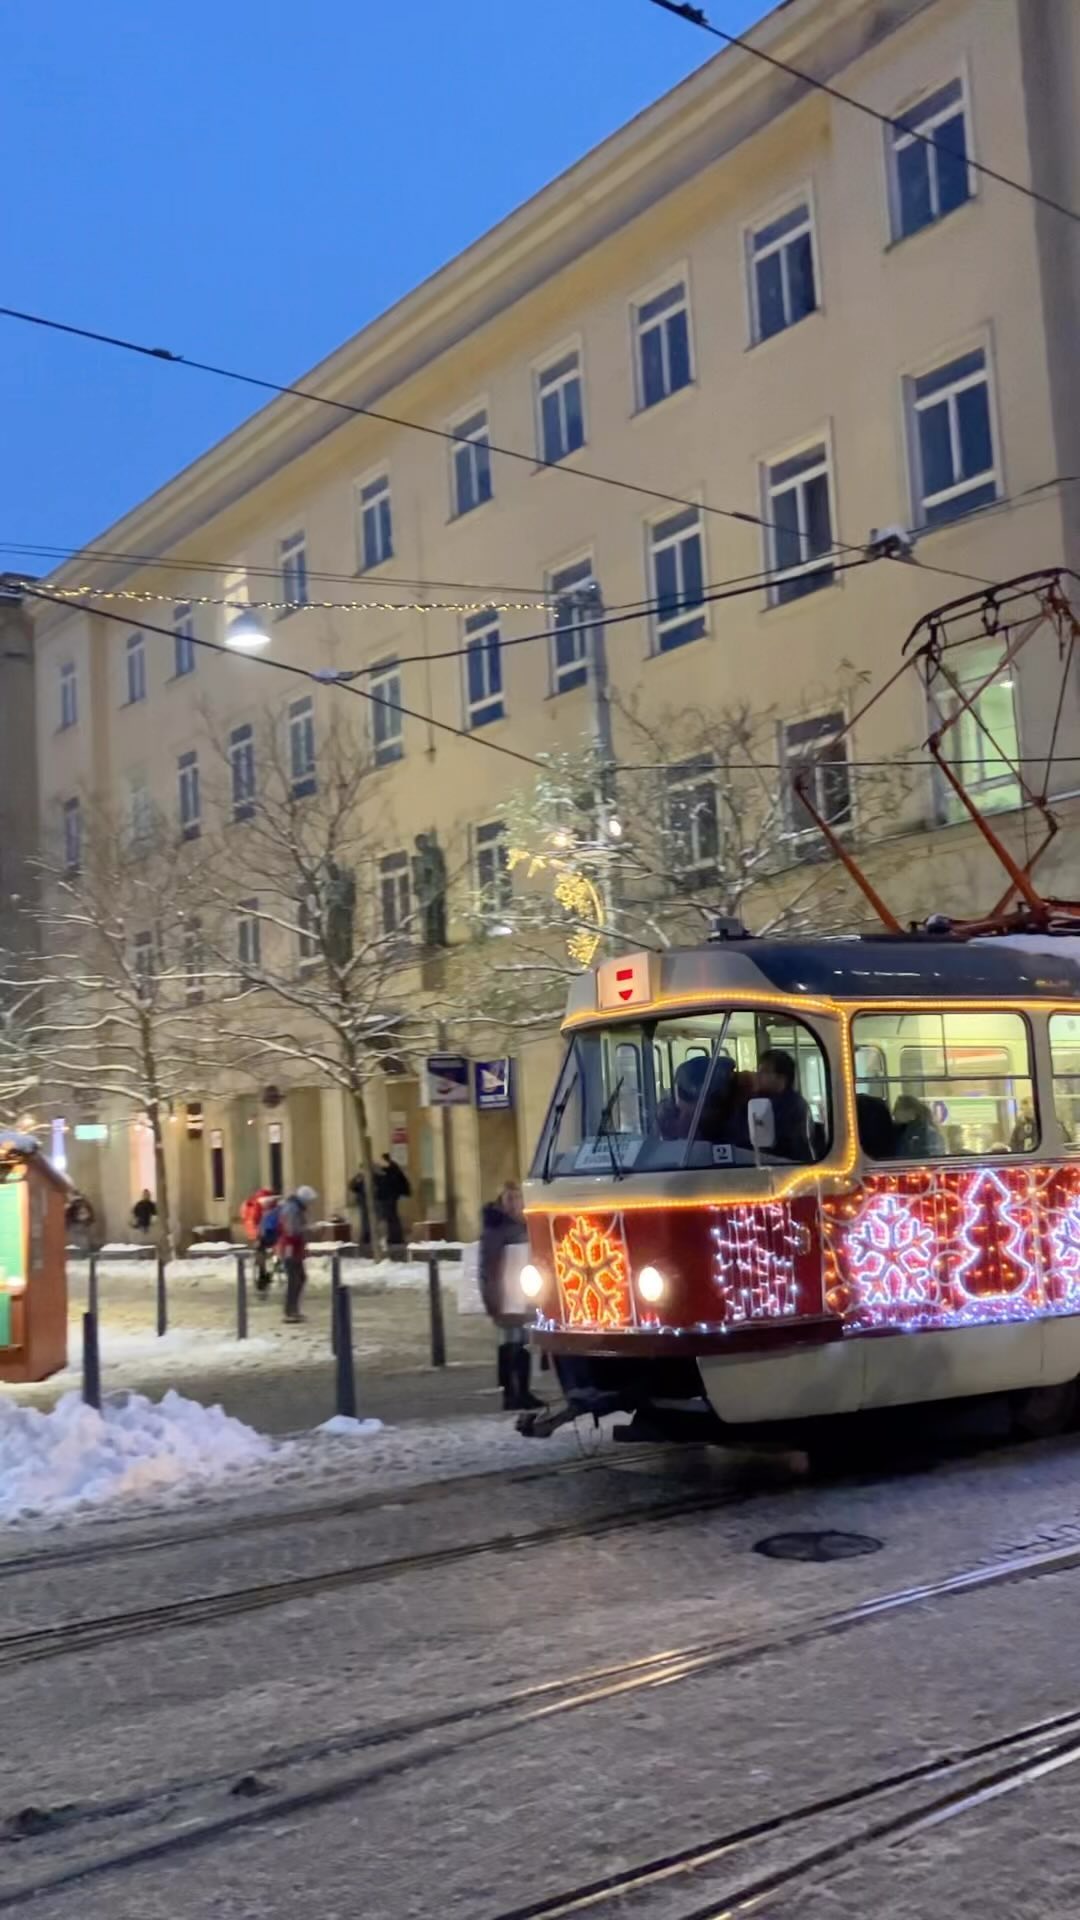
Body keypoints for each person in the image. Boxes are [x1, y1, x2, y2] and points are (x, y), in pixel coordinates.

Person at [479, 1181, 542, 1412]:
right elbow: (487, 1266)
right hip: (505, 1293)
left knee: (523, 1342)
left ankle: (523, 1391)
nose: (515, 1203)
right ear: (502, 1202)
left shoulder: (526, 1225)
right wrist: (490, 1297)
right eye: (510, 1199)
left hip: (524, 1291)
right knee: (509, 1343)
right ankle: (510, 1393)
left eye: (518, 1198)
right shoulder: (495, 1229)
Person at [754, 1050, 813, 1162]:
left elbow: (783, 1144)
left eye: (764, 1071)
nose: (758, 1075)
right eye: (759, 1070)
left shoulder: (794, 1106)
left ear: (781, 1078)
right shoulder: (758, 1100)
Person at [278, 1184, 316, 1323]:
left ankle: (293, 1310)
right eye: (309, 1200)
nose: (310, 1204)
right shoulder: (292, 1209)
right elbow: (292, 1230)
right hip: (290, 1248)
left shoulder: (294, 1207)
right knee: (295, 1279)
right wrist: (308, 1229)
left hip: (294, 1248)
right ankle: (290, 1311)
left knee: (299, 1278)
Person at [373, 1152, 411, 1248]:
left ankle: (395, 1238)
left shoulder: (391, 1170)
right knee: (390, 1217)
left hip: (390, 1196)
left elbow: (387, 1182)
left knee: (391, 1217)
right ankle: (393, 1237)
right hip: (389, 1196)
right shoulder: (391, 1169)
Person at [892, 1095, 945, 1160]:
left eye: (897, 1110)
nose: (894, 1114)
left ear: (911, 1112)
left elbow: (933, 1158)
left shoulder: (927, 1133)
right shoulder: (900, 1133)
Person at [254, 1194, 282, 1295]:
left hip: (273, 1237)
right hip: (273, 1237)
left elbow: (264, 1229)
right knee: (261, 1249)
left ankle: (263, 1273)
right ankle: (266, 1271)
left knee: (260, 1249)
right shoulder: (270, 1213)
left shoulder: (273, 1212)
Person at [348, 1168, 373, 1251]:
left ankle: (368, 1236)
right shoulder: (359, 1177)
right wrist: (357, 1180)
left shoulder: (372, 1177)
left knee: (369, 1220)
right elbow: (352, 1187)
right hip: (363, 1201)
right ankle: (366, 1236)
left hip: (371, 1202)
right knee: (365, 1220)